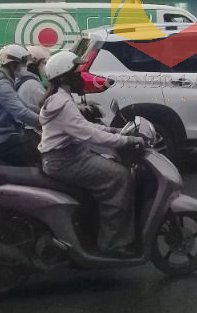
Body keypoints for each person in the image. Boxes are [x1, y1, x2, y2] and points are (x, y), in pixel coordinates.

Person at [39, 51, 145, 257]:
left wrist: (113, 130)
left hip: (69, 156)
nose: (82, 77)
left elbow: (84, 127)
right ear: (64, 78)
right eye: (77, 73)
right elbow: (89, 134)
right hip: (66, 160)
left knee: (111, 164)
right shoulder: (63, 103)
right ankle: (113, 244)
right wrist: (126, 140)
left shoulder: (60, 98)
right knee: (120, 176)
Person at [0, 43, 41, 165]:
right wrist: (44, 122)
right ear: (12, 65)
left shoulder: (5, 79)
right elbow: (21, 112)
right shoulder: (2, 85)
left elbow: (22, 104)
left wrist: (42, 110)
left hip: (8, 135)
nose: (24, 67)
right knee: (40, 153)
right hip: (2, 140)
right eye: (22, 64)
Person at [17, 45, 50, 112]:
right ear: (33, 66)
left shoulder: (22, 80)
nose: (46, 66)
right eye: (44, 63)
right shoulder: (33, 85)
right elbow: (47, 109)